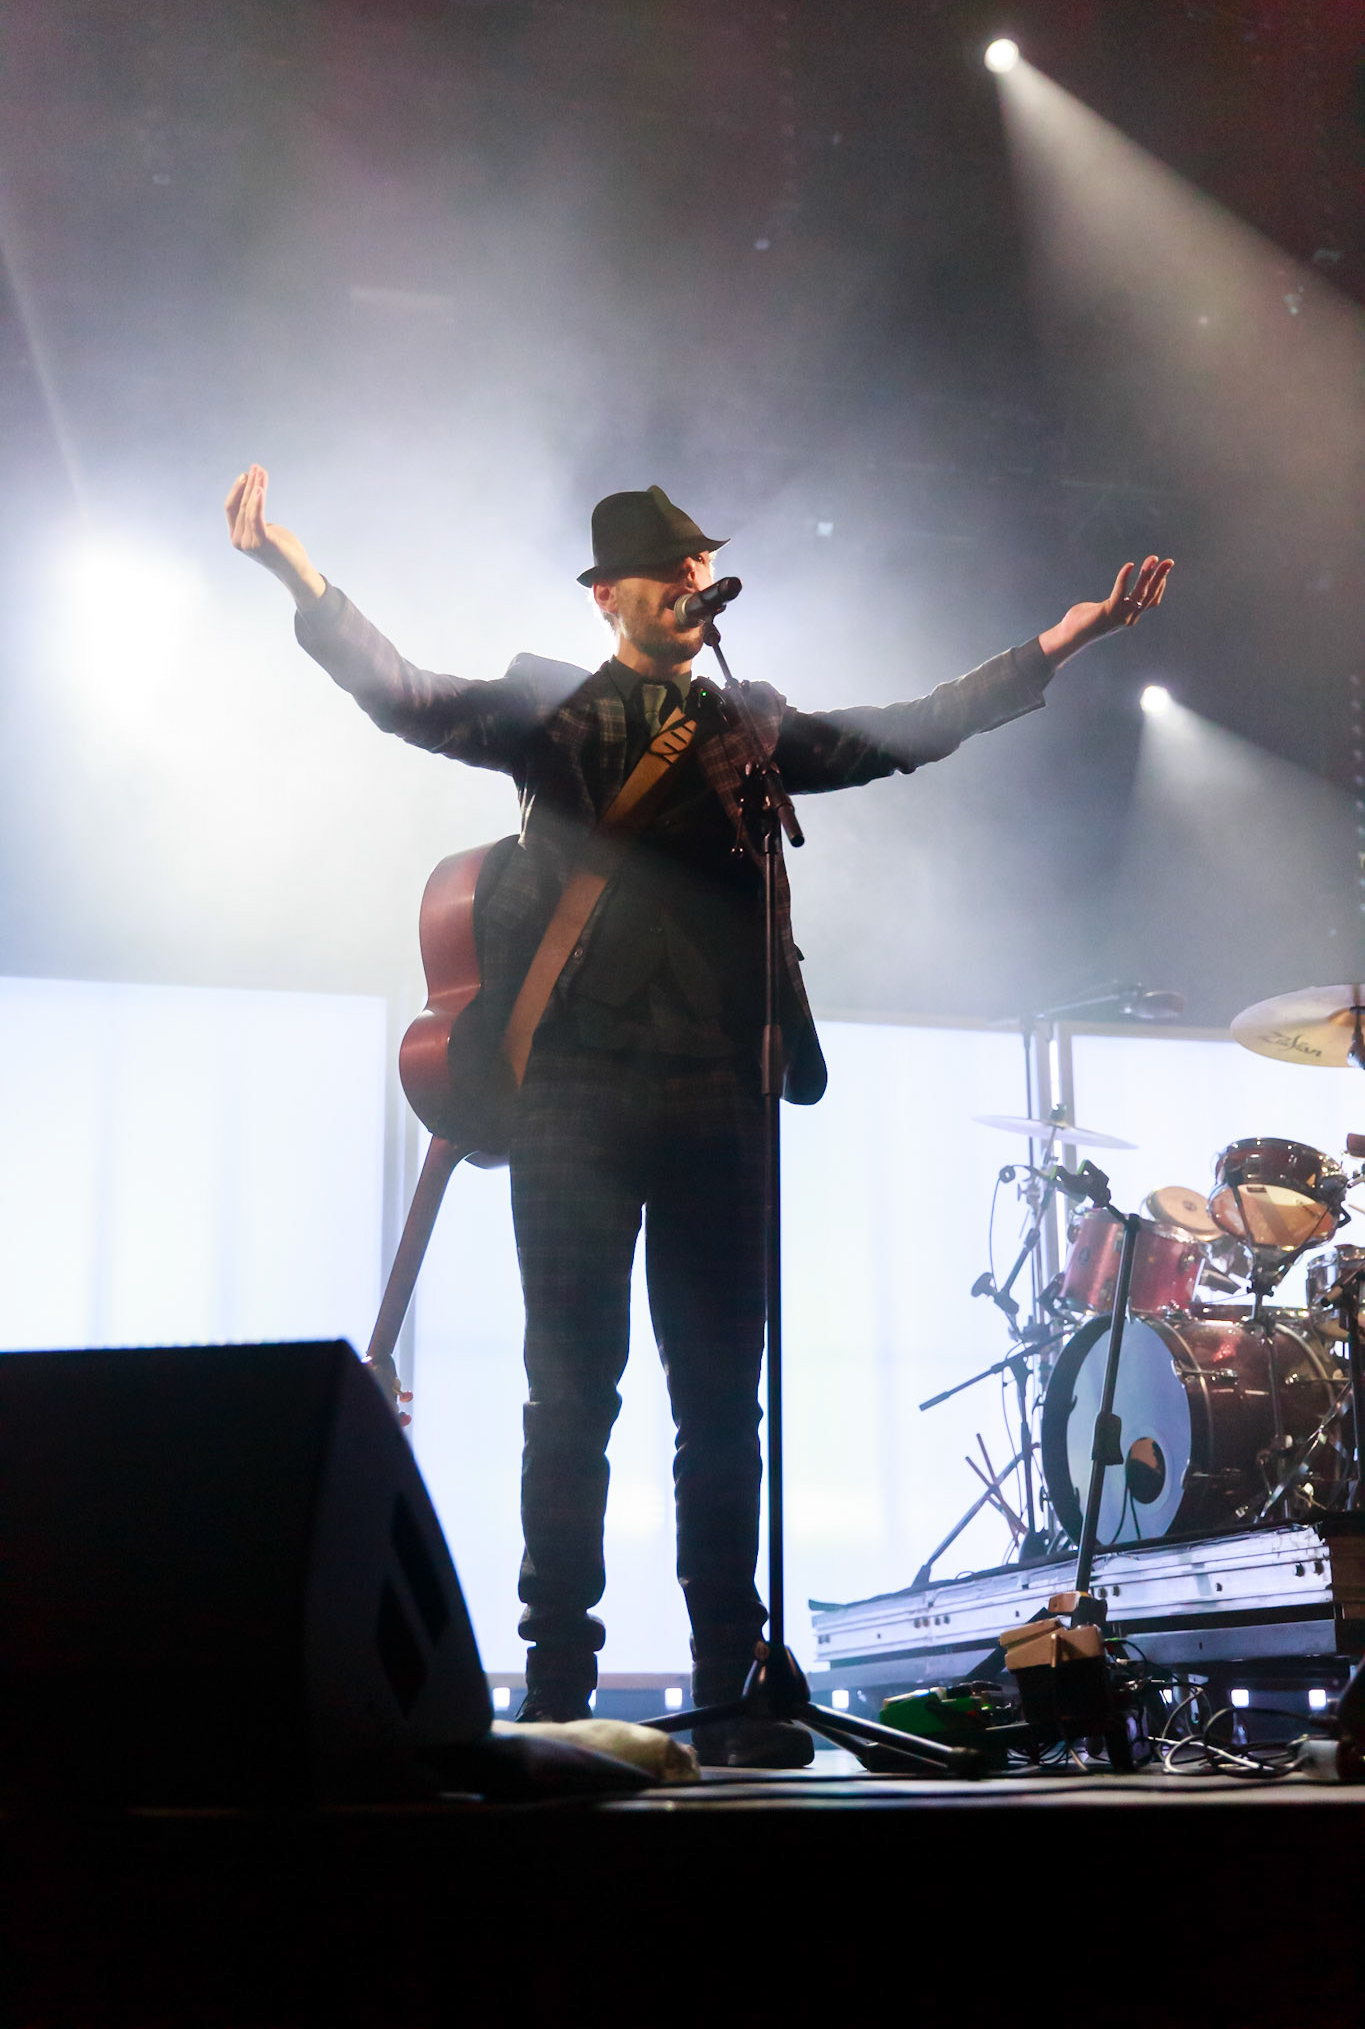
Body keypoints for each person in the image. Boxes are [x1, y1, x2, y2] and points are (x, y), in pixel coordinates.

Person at [225, 464, 1171, 1765]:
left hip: (721, 1098)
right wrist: (292, 568)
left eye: (697, 566)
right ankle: (556, 1685)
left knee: (723, 1408)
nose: (688, 582)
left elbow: (903, 729)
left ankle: (731, 1687)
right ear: (610, 594)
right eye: (664, 569)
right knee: (571, 1398)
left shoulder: (748, 727)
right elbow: (403, 696)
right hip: (570, 1095)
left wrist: (1058, 641)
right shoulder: (546, 710)